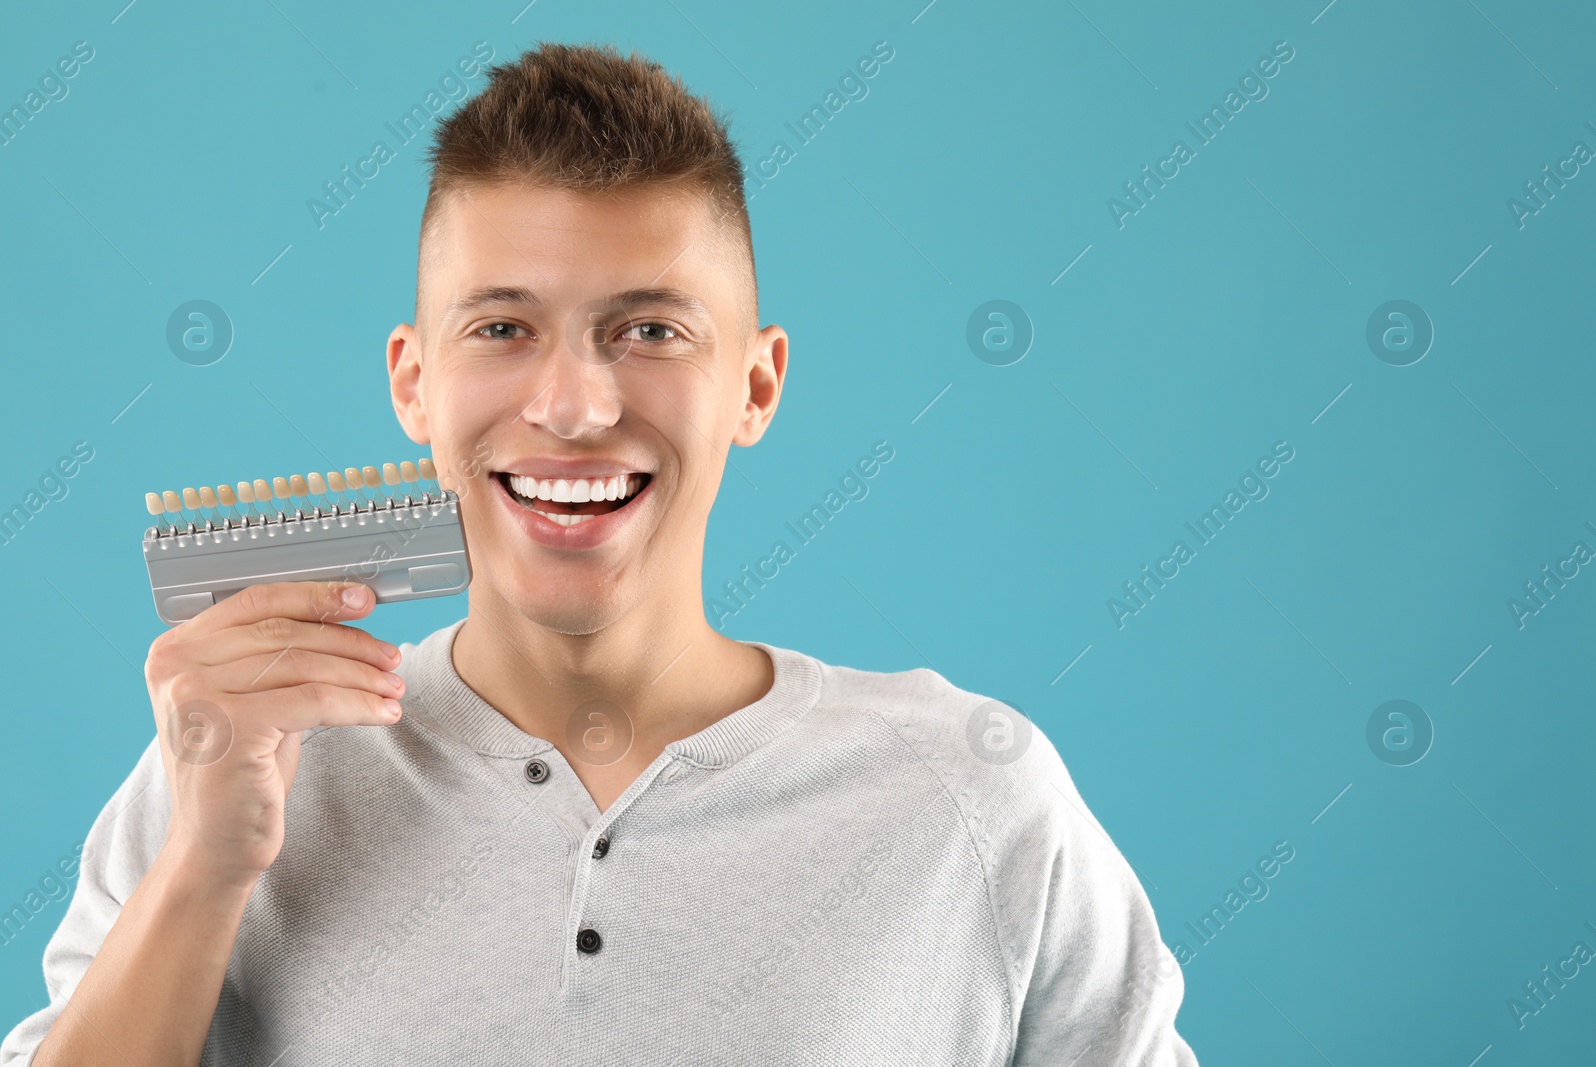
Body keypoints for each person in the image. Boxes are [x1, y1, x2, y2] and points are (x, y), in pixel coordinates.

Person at [2, 42, 1197, 1066]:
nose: (573, 405)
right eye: (503, 326)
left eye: (649, 329)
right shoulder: (230, 764)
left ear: (756, 382)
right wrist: (209, 865)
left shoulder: (974, 797)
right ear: (414, 383)